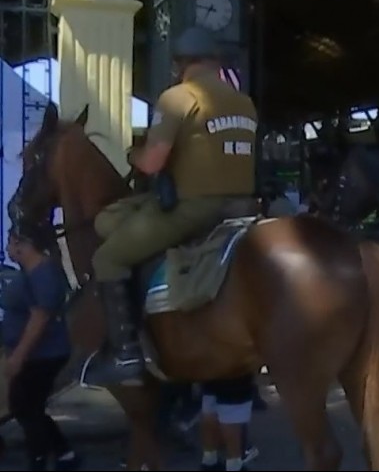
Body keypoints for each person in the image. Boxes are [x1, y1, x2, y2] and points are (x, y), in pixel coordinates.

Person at [85, 25, 260, 387]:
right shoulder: (244, 102)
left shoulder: (178, 98)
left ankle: (127, 354)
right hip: (241, 207)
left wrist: (133, 151)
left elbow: (151, 164)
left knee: (109, 258)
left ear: (180, 64)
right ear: (215, 61)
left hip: (195, 209)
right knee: (117, 217)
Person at [2, 225, 80, 471]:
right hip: (34, 353)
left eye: (10, 242)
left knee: (25, 407)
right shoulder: (29, 272)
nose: (7, 248)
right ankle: (64, 454)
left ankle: (39, 460)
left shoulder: (44, 273)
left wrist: (19, 356)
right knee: (27, 406)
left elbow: (40, 319)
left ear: (20, 243)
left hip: (44, 353)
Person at [199, 374, 257, 471]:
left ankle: (209, 460)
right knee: (232, 411)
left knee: (210, 406)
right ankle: (234, 466)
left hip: (208, 367)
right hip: (233, 369)